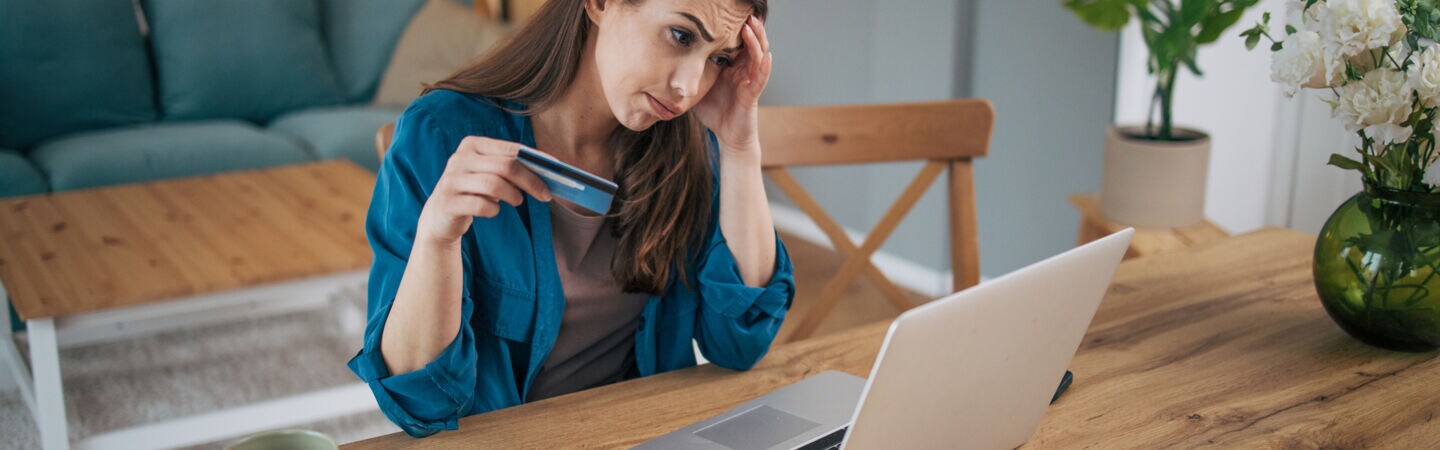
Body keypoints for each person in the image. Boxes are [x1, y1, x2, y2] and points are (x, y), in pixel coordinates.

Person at [346, 0, 794, 437]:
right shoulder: (442, 133)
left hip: (647, 434)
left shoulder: (690, 149)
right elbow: (419, 401)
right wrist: (437, 239)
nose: (689, 86)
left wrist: (739, 147)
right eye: (680, 36)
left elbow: (740, 342)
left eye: (718, 58)